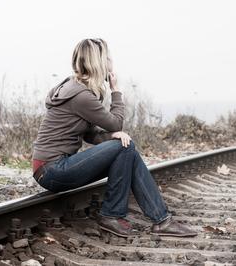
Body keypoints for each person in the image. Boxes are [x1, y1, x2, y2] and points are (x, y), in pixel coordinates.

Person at [31, 38, 196, 238]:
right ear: (98, 62)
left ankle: (161, 220)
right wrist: (116, 90)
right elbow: (116, 122)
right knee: (125, 147)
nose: (110, 61)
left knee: (126, 149)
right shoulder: (81, 96)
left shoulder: (75, 88)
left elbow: (90, 134)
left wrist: (111, 136)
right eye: (107, 57)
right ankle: (112, 215)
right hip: (53, 169)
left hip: (49, 168)